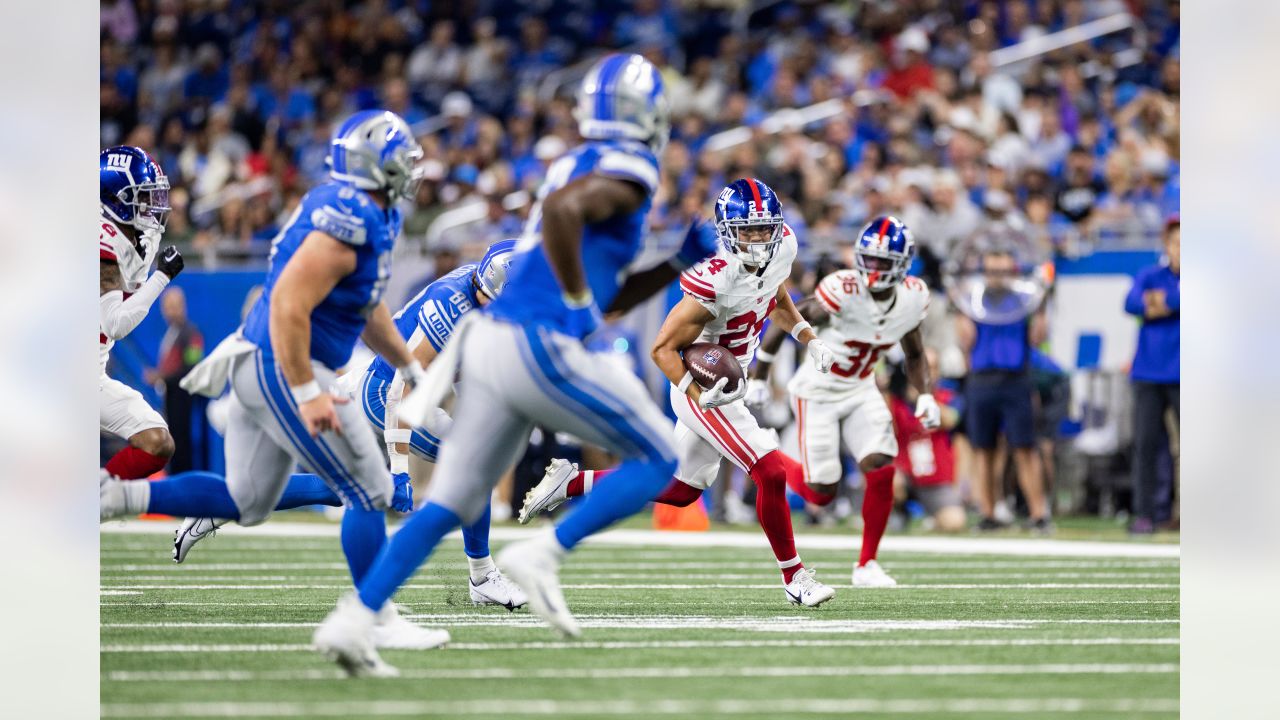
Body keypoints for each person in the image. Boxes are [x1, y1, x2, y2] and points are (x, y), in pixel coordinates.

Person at [313, 54, 720, 675]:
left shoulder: (574, 161)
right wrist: (579, 305)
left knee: (451, 499)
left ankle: (354, 619)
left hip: (494, 344)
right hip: (536, 341)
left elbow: (601, 293)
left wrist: (670, 267)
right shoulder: (631, 165)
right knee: (662, 459)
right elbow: (564, 223)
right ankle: (545, 552)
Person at [101, 110, 452, 655]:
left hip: (264, 359)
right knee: (371, 489)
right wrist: (308, 392)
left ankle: (115, 495)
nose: (409, 168)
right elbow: (290, 303)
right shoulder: (351, 219)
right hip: (285, 364)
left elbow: (367, 305)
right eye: (397, 157)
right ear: (370, 165)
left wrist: (409, 367)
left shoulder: (368, 213)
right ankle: (371, 618)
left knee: (248, 501)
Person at [519, 179, 839, 607]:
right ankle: (795, 577)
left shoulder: (783, 249)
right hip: (704, 387)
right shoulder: (716, 276)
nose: (759, 239)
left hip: (732, 384)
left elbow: (774, 291)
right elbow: (661, 348)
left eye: (765, 229)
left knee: (681, 490)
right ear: (727, 231)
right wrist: (695, 390)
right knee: (772, 470)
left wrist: (807, 336)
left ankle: (571, 482)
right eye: (748, 230)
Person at [168, 241, 528, 610]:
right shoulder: (452, 306)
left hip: (381, 384)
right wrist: (401, 469)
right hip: (384, 394)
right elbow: (400, 390)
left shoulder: (481, 283)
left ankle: (219, 507)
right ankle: (482, 576)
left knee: (342, 488)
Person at [753, 216, 941, 587]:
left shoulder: (913, 297)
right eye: (868, 259)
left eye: (882, 261)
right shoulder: (843, 289)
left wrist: (927, 395)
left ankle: (866, 564)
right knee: (822, 495)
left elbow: (915, 352)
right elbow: (789, 316)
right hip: (818, 391)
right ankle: (768, 454)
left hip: (861, 387)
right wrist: (760, 374)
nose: (872, 269)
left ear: (902, 265)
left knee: (881, 464)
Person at [99, 146, 185, 480]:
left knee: (157, 442)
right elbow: (116, 323)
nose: (151, 206)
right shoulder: (101, 238)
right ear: (114, 199)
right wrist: (162, 276)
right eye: (142, 197)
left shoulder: (133, 234)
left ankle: (97, 502)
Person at [955, 249, 1051, 533]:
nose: (997, 277)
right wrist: (958, 308)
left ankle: (1038, 514)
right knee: (983, 449)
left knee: (1025, 448)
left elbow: (1037, 338)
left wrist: (1042, 305)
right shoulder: (972, 300)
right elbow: (965, 341)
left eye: (1003, 272)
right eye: (992, 271)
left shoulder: (1023, 301)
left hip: (1016, 378)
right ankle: (988, 513)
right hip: (981, 378)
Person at [1123, 216, 1180, 534]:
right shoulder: (1149, 274)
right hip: (1148, 373)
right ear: (1167, 245)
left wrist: (1159, 303)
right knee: (1146, 446)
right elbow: (1131, 303)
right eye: (1176, 243)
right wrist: (1173, 302)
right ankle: (1145, 513)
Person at [887, 350, 967, 533]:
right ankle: (899, 512)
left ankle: (933, 520)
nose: (926, 373)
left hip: (936, 480)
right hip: (906, 476)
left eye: (931, 368)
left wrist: (924, 397)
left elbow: (951, 420)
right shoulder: (897, 400)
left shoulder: (949, 397)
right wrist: (889, 389)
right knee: (888, 478)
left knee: (955, 521)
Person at [147, 287, 204, 473]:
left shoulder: (191, 333)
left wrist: (162, 377)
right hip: (171, 398)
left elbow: (191, 368)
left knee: (181, 444)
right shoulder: (172, 333)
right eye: (167, 307)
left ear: (182, 307)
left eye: (174, 306)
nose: (170, 311)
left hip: (182, 399)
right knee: (172, 445)